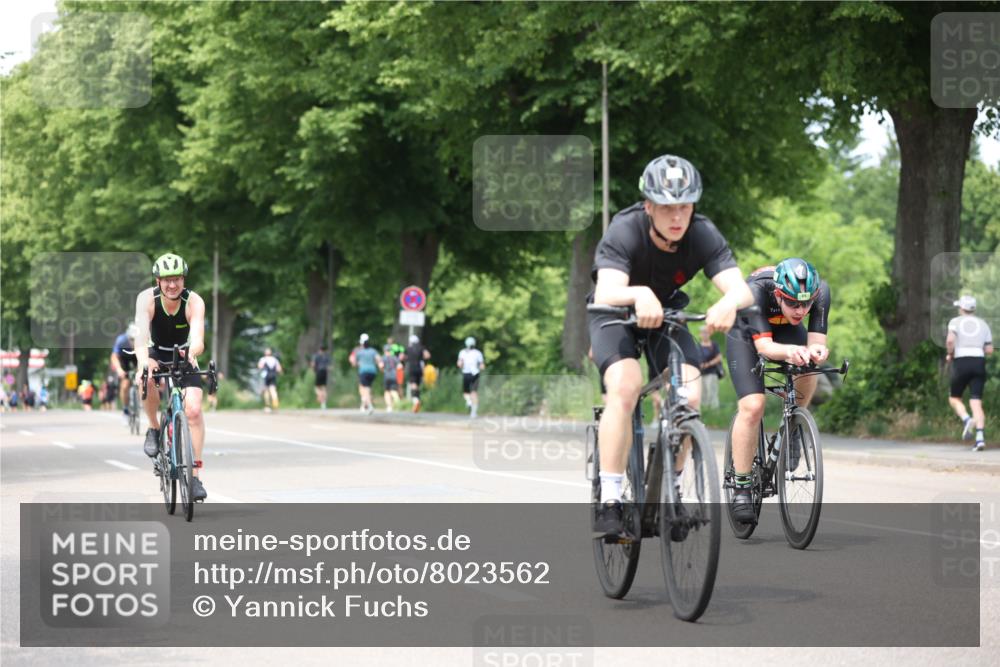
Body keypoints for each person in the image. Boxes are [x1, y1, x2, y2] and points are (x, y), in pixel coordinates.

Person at [589, 154, 753, 540]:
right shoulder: (625, 229)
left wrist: (728, 303)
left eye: (684, 206)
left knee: (689, 398)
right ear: (648, 206)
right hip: (613, 313)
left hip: (666, 315)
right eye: (666, 208)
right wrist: (640, 294)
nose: (677, 217)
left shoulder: (702, 233)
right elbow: (607, 290)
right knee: (626, 388)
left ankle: (670, 493)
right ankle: (610, 499)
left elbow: (740, 288)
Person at [725, 258, 830, 524]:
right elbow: (766, 349)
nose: (800, 309)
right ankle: (742, 486)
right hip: (748, 332)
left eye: (806, 304)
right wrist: (790, 352)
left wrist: (815, 352)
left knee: (807, 364)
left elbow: (816, 342)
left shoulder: (820, 294)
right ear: (779, 293)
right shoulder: (757, 291)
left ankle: (795, 425)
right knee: (752, 407)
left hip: (784, 331)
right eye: (793, 303)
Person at [134, 252, 209, 501]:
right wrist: (145, 362)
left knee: (194, 411)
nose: (172, 284)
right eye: (167, 280)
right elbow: (141, 338)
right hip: (155, 352)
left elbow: (198, 338)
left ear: (183, 280)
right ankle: (154, 429)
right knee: (144, 377)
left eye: (177, 279)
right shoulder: (146, 299)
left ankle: (196, 477)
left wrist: (192, 350)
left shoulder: (194, 301)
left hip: (184, 354)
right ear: (158, 281)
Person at [946, 295, 993, 451]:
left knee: (954, 398)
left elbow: (950, 341)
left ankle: (967, 420)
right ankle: (980, 438)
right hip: (979, 362)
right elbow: (989, 350)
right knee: (976, 401)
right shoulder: (984, 324)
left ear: (961, 308)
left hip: (961, 362)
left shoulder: (955, 322)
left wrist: (950, 354)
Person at [110, 323, 139, 422]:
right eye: (132, 340)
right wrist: (119, 369)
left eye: (135, 340)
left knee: (142, 376)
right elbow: (114, 356)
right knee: (125, 384)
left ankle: (140, 400)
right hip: (124, 359)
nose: (133, 342)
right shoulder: (121, 340)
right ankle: (126, 409)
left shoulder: (143, 340)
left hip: (137, 357)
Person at [349, 333, 382, 414]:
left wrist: (358, 364)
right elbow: (379, 360)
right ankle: (364, 404)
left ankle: (369, 405)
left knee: (365, 388)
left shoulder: (359, 352)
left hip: (363, 371)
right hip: (372, 371)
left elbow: (353, 362)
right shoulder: (373, 351)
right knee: (368, 388)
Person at [401, 334, 431, 413]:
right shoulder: (421, 348)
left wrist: (407, 358)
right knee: (417, 385)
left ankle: (416, 400)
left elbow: (401, 357)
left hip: (412, 368)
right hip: (420, 369)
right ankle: (417, 399)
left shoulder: (408, 348)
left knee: (413, 385)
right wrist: (421, 358)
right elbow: (427, 355)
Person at [457, 336, 486, 418]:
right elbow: (482, 365)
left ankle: (469, 401)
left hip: (466, 374)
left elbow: (459, 364)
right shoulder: (478, 353)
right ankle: (473, 413)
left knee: (466, 392)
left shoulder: (462, 352)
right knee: (474, 393)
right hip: (475, 374)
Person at [698, 326, 723, 410]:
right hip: (700, 373)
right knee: (702, 393)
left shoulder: (714, 344)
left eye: (706, 332)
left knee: (712, 392)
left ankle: (715, 411)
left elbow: (719, 357)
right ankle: (705, 411)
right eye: (703, 333)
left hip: (712, 372)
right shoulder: (698, 346)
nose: (704, 334)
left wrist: (708, 364)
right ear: (700, 334)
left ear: (709, 334)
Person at [257, 347, 283, 412]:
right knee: (273, 391)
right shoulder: (275, 359)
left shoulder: (263, 359)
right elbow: (279, 369)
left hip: (266, 376)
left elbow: (260, 366)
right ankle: (275, 405)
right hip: (273, 375)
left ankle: (267, 406)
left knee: (266, 391)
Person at [381, 344, 402, 412]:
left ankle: (389, 406)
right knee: (393, 391)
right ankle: (398, 403)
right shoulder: (395, 357)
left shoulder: (383, 358)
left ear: (384, 351)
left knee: (387, 392)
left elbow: (381, 366)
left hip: (387, 376)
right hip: (394, 376)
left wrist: (383, 370)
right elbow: (400, 366)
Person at [311, 344, 331, 409]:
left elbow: (313, 364)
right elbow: (329, 367)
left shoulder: (316, 356)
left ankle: (319, 396)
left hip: (319, 372)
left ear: (319, 349)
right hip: (324, 372)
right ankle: (324, 403)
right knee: (324, 388)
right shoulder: (327, 356)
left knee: (317, 387)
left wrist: (313, 370)